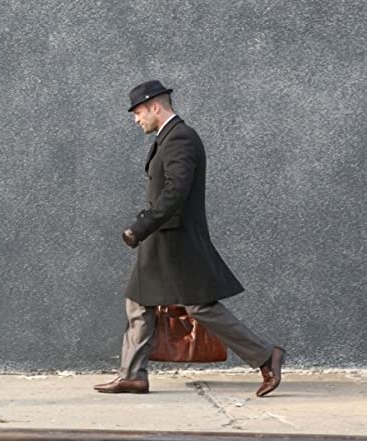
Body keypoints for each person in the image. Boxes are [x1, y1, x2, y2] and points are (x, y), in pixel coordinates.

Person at [93, 80, 285, 397]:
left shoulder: (180, 137)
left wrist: (140, 227)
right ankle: (132, 375)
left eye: (138, 111)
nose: (135, 118)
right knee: (139, 301)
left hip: (175, 241)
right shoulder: (168, 138)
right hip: (162, 238)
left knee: (199, 306)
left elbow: (176, 192)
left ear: (155, 106)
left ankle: (266, 355)